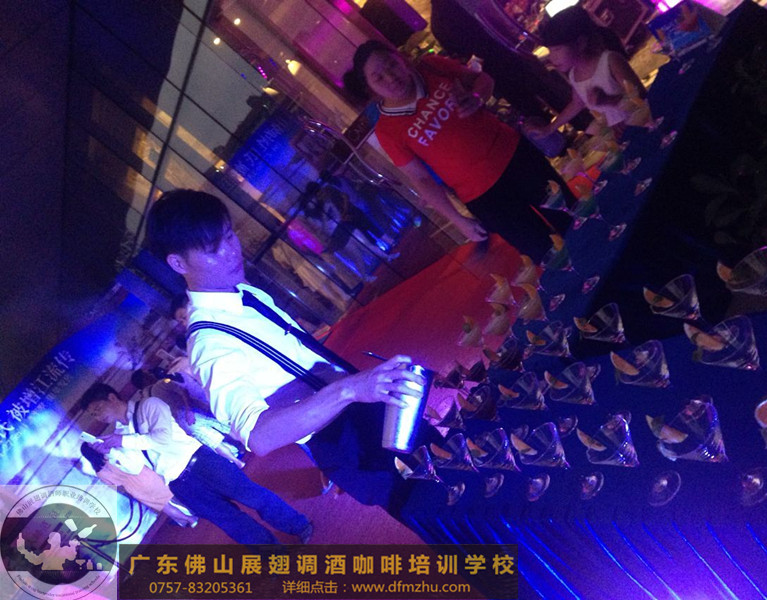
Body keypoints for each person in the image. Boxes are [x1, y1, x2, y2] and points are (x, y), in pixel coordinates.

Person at [145, 189, 437, 511]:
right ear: (178, 262)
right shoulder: (208, 342)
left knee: (456, 467)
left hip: (366, 409)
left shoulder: (245, 294)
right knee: (446, 514)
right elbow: (258, 437)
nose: (231, 252)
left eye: (229, 236)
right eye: (213, 249)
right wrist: (349, 390)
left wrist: (358, 387)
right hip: (343, 438)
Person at [344, 40, 575, 262]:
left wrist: (477, 97)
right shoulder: (387, 130)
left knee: (573, 217)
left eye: (391, 65)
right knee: (546, 253)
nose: (391, 78)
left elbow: (483, 80)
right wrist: (458, 220)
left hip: (517, 158)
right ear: (370, 87)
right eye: (378, 77)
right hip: (484, 197)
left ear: (400, 58)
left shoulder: (431, 66)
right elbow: (421, 179)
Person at [79, 382, 313, 545]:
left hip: (201, 462)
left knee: (252, 495)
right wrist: (112, 454)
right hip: (178, 482)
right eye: (93, 415)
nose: (98, 416)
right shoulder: (120, 433)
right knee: (228, 520)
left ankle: (299, 525)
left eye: (98, 409)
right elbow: (135, 467)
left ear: (112, 398)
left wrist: (123, 441)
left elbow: (162, 438)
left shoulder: (148, 406)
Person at [529, 6, 647, 138]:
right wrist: (549, 129)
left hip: (644, 124)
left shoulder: (610, 61)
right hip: (624, 136)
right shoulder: (574, 75)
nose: (551, 57)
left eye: (557, 50)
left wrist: (608, 100)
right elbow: (577, 103)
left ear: (581, 43)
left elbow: (641, 96)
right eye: (550, 51)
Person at [130, 368, 245, 468]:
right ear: (145, 378)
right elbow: (182, 391)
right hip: (191, 411)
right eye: (148, 374)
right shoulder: (162, 383)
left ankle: (237, 462)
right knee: (223, 427)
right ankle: (244, 444)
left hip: (183, 423)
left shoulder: (146, 401)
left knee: (214, 442)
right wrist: (188, 409)